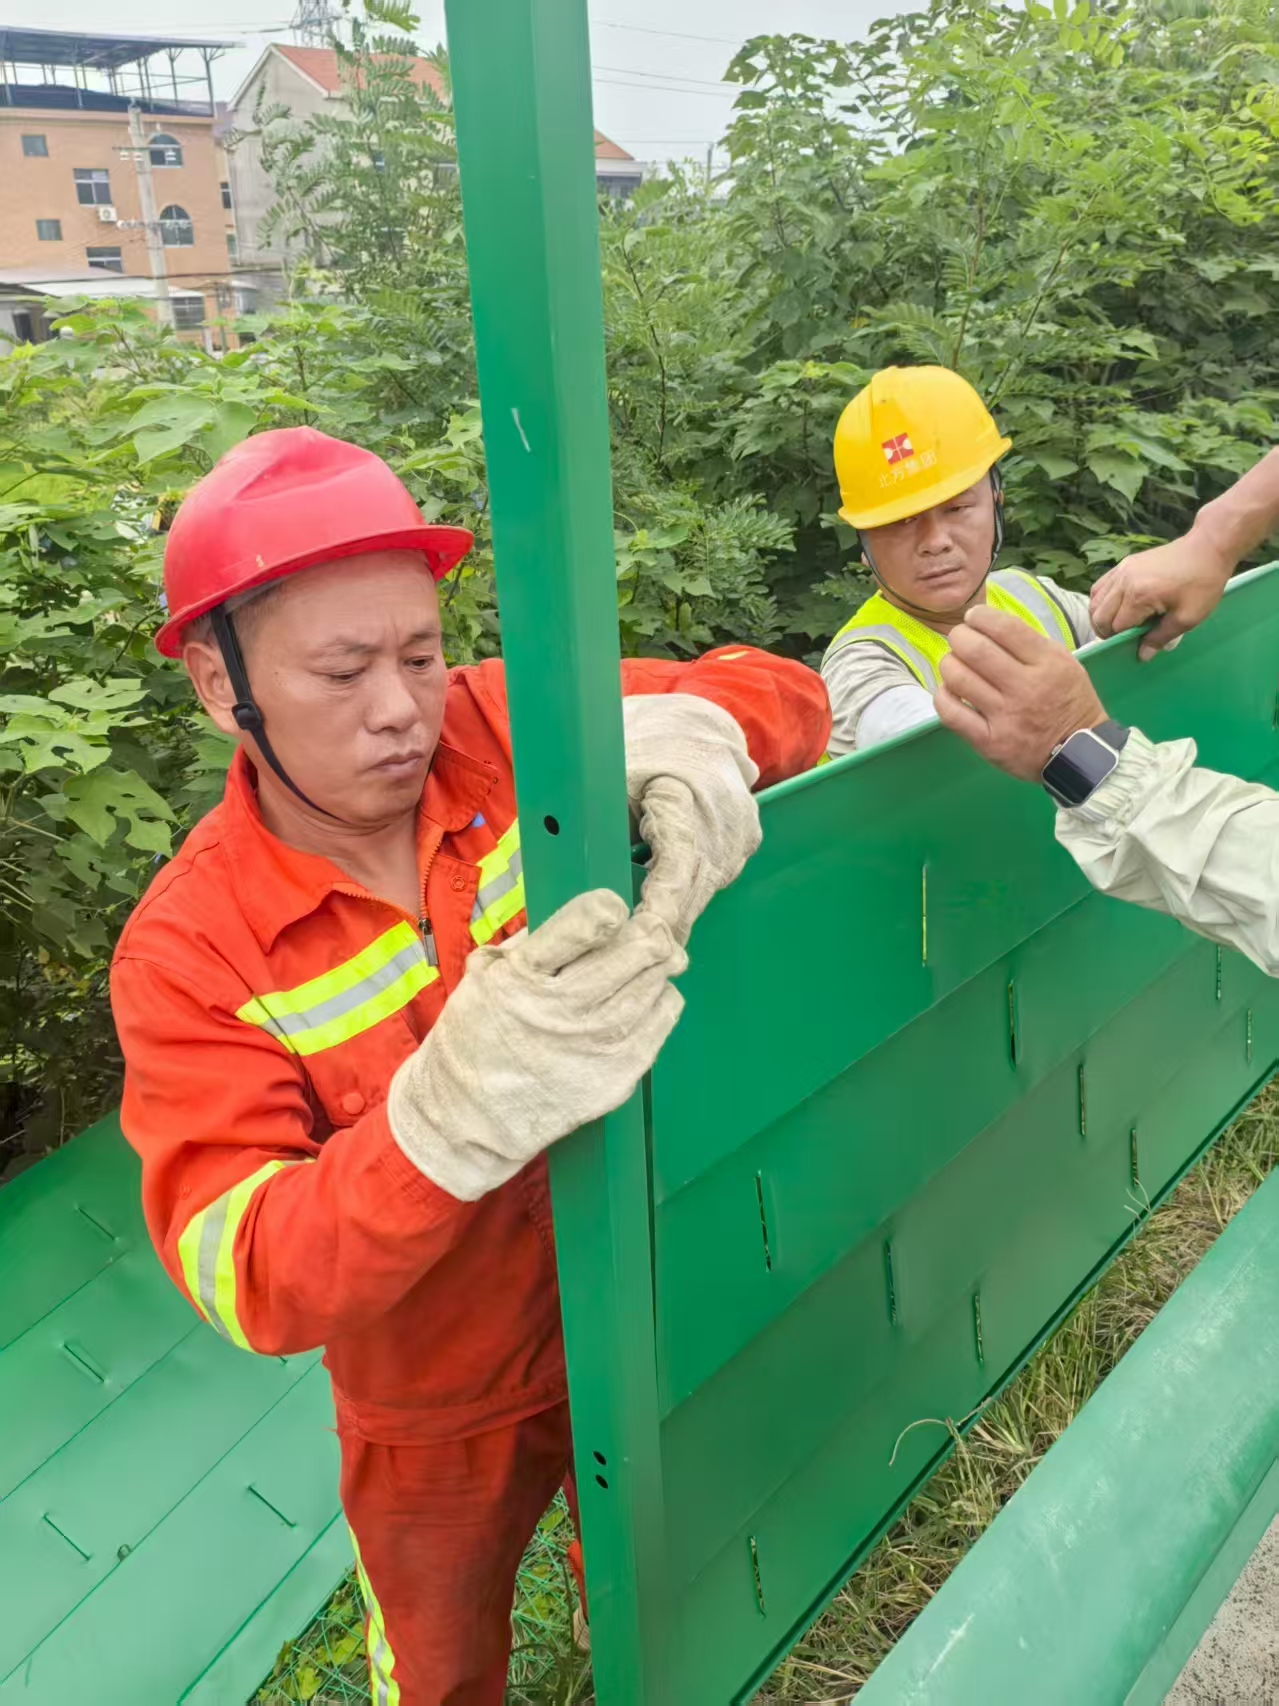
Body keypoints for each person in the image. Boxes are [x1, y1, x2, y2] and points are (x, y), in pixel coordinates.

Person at [109, 427, 831, 1706]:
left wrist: (693, 742)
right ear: (226, 690)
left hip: (624, 1305)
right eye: (342, 670)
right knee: (439, 1673)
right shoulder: (190, 950)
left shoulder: (508, 728)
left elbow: (783, 688)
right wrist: (440, 1122)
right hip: (430, 1401)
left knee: (657, 1590)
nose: (400, 705)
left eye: (419, 652)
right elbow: (248, 1271)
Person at [822, 365, 1094, 755]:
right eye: (902, 522)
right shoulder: (860, 663)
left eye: (958, 508)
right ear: (862, 542)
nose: (935, 542)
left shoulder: (1034, 595)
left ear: (997, 502)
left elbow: (1141, 648)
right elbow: (923, 745)